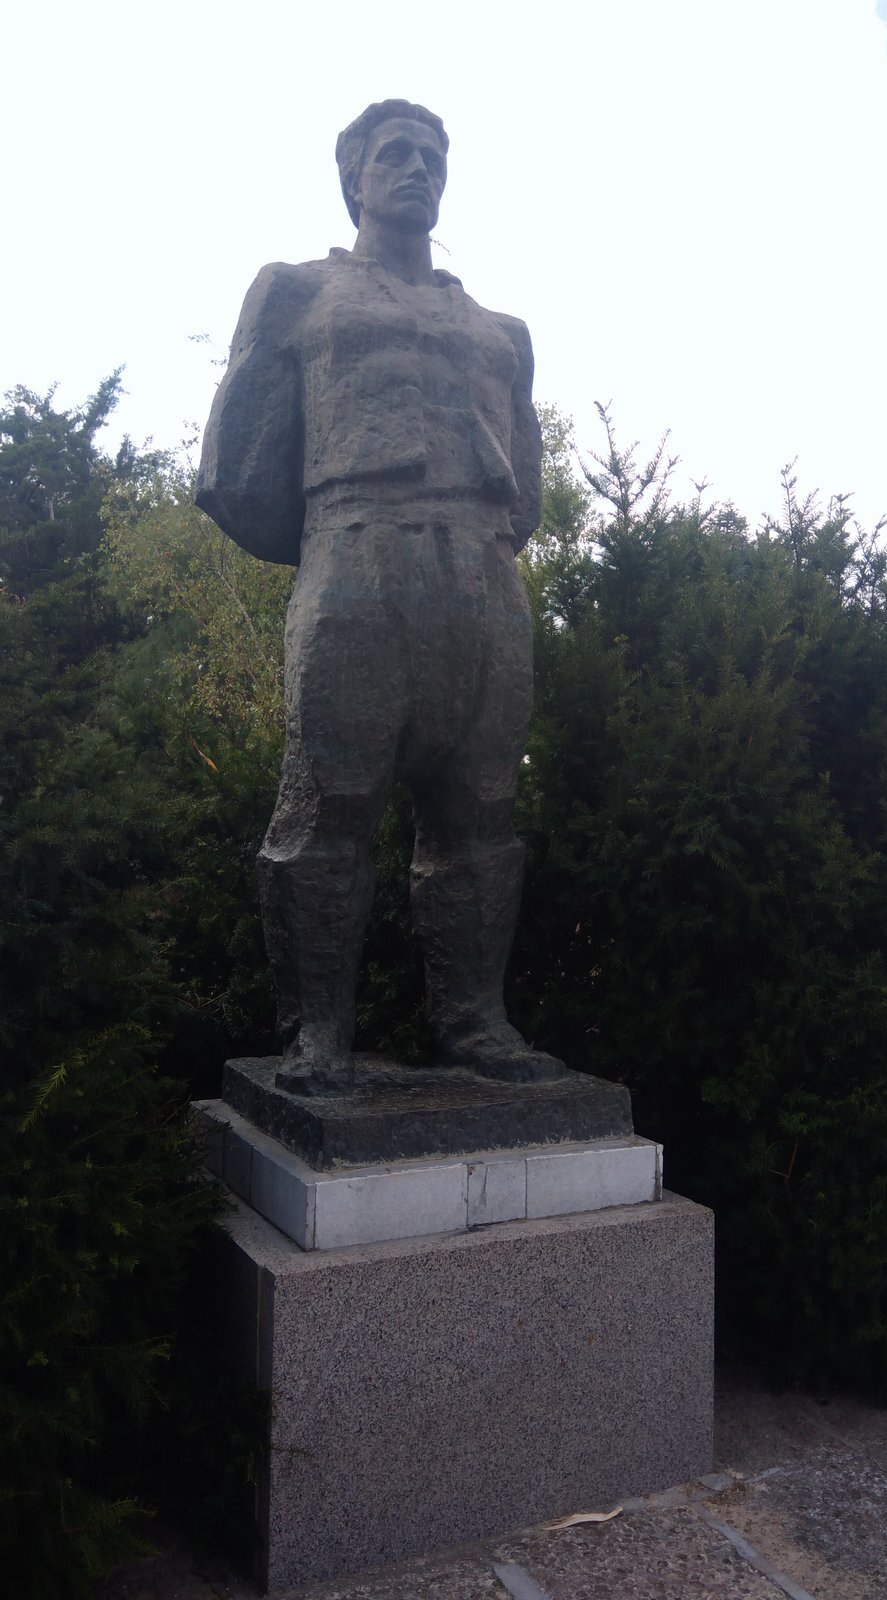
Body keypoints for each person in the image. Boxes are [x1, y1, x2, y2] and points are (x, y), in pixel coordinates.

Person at [197, 100, 563, 1094]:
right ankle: (318, 1034)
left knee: (481, 811)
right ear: (353, 177)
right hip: (356, 556)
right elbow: (237, 470)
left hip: (484, 576)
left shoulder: (502, 330)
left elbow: (526, 487)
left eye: (433, 156)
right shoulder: (296, 292)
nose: (417, 169)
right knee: (330, 807)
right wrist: (334, 534)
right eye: (394, 154)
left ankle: (475, 1023)